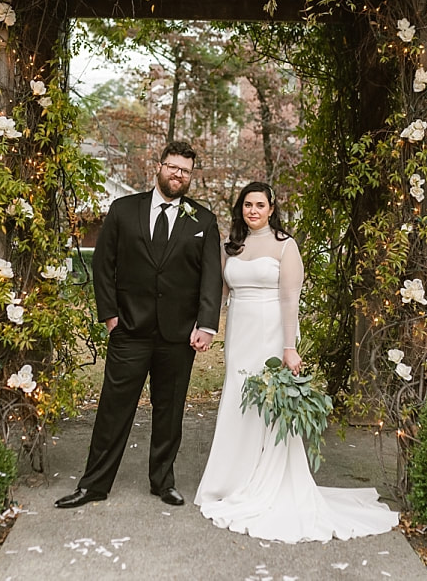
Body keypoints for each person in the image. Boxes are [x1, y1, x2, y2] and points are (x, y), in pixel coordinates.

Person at [194, 181, 399, 542]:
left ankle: (266, 478)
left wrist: (289, 347)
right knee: (237, 399)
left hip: (271, 332)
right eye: (247, 204)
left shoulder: (285, 246)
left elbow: (290, 300)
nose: (253, 210)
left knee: (268, 401)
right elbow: (220, 293)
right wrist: (205, 326)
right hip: (239, 334)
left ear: (272, 208)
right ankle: (231, 479)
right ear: (240, 208)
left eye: (259, 204)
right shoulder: (232, 247)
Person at [56, 141, 223, 509]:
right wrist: (110, 314)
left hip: (178, 336)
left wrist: (206, 324)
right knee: (113, 409)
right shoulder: (123, 210)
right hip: (129, 329)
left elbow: (211, 277)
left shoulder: (203, 221)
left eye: (185, 170)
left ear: (191, 176)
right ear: (159, 167)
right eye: (172, 167)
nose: (178, 175)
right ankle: (94, 484)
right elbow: (104, 265)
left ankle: (163, 481)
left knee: (170, 410)